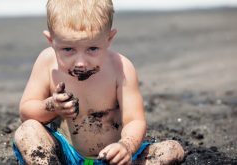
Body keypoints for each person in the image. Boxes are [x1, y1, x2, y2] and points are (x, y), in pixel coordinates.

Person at [13, 0, 185, 164]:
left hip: (113, 157)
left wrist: (126, 147)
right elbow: (26, 113)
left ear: (109, 38)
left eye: (92, 49)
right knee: (27, 131)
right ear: (51, 40)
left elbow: (135, 120)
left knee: (172, 149)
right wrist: (51, 106)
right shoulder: (47, 63)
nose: (80, 62)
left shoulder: (121, 68)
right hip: (66, 154)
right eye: (68, 49)